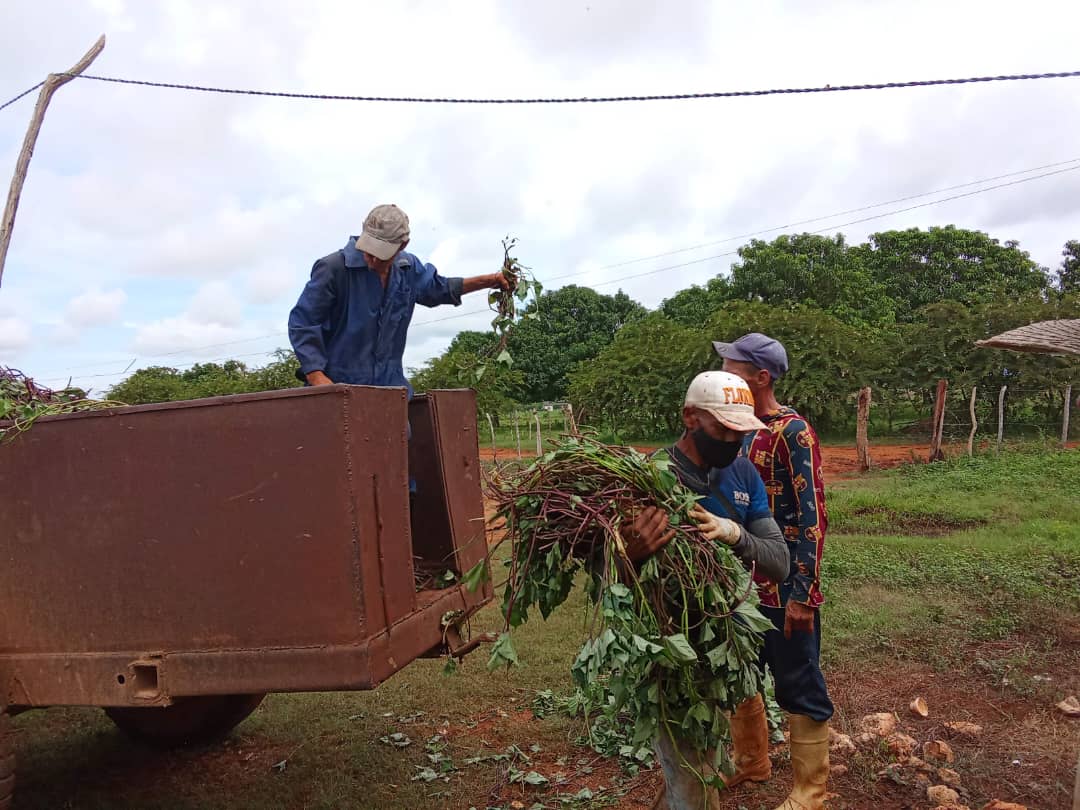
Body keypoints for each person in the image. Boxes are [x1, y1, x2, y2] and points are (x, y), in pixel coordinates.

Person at [623, 370, 789, 810]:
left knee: (701, 764)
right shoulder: (648, 478)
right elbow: (614, 583)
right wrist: (630, 553)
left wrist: (733, 531)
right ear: (690, 418)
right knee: (693, 774)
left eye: (740, 430)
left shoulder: (743, 474)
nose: (733, 440)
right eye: (722, 429)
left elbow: (779, 561)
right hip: (670, 649)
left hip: (724, 649)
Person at [714, 333, 834, 810]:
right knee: (741, 675)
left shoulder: (792, 431)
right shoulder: (736, 429)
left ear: (760, 377)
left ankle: (811, 792)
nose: (723, 372)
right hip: (737, 584)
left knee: (797, 682)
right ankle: (752, 762)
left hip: (783, 589)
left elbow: (812, 516)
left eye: (732, 366)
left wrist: (803, 593)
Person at [288, 203, 510, 391]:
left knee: (400, 439)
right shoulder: (334, 269)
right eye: (368, 250)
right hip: (337, 391)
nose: (371, 260)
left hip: (390, 391)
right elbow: (303, 323)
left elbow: (439, 288)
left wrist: (490, 280)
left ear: (402, 245)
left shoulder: (408, 269)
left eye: (380, 254)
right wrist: (317, 378)